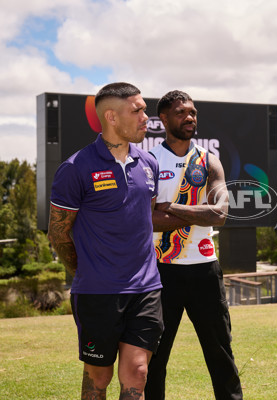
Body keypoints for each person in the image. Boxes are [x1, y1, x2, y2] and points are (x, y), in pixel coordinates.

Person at [47, 82, 163, 399]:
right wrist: (84, 270)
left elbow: (144, 217)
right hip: (97, 292)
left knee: (137, 374)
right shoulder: (75, 168)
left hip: (146, 289)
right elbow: (58, 233)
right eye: (136, 110)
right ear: (111, 116)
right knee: (98, 379)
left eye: (145, 109)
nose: (146, 118)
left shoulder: (149, 163)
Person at [144, 90, 243, 400]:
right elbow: (146, 221)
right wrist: (197, 213)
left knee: (220, 354)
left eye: (193, 112)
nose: (189, 117)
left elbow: (220, 214)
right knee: (155, 358)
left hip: (205, 271)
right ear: (163, 119)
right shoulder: (149, 160)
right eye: (181, 112)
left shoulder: (208, 160)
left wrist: (170, 207)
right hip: (161, 271)